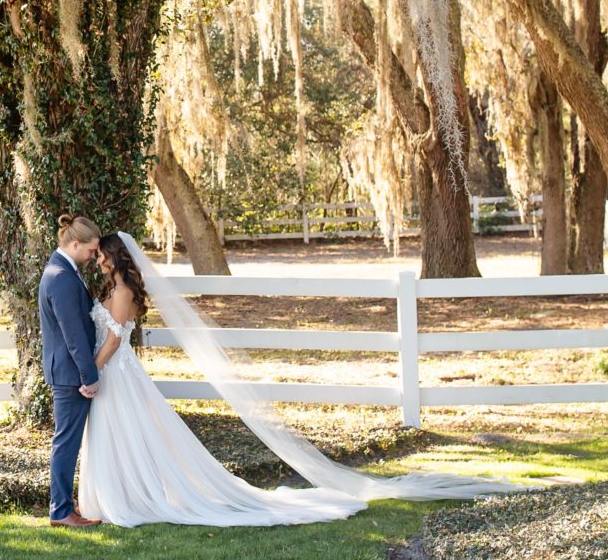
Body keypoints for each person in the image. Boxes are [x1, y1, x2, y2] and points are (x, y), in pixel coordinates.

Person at [74, 231, 519, 527]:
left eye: (101, 253)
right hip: (114, 374)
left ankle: (126, 499)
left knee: (125, 433)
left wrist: (92, 370)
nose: (97, 258)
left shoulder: (125, 290)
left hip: (115, 372)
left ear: (117, 256)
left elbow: (114, 341)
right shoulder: (114, 287)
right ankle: (120, 496)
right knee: (120, 436)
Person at [37, 214, 105, 527]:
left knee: (68, 441)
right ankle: (61, 511)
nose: (94, 256)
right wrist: (89, 376)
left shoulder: (64, 269)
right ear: (75, 244)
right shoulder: (61, 276)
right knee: (66, 443)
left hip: (67, 371)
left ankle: (65, 507)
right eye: (91, 250)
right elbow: (73, 333)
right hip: (69, 374)